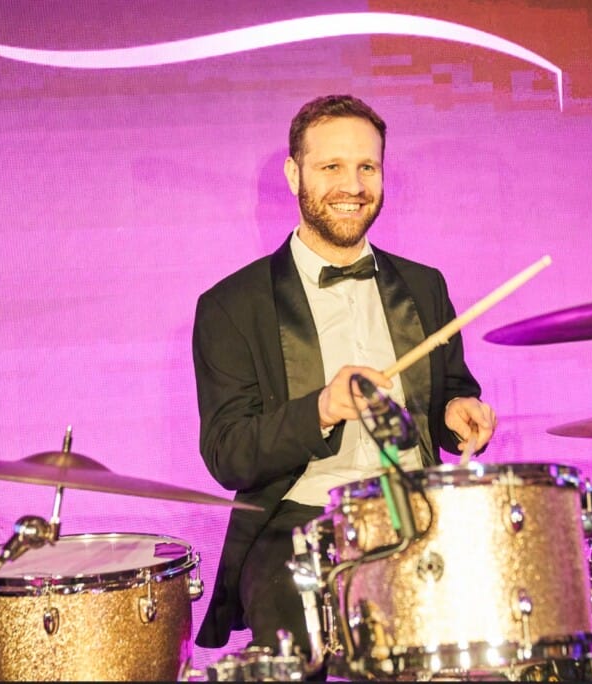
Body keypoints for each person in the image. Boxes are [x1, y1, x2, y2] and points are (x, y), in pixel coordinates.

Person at [191, 94, 497, 663]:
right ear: (294, 175)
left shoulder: (425, 286)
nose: (352, 185)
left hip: (418, 511)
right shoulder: (232, 305)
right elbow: (229, 453)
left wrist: (458, 413)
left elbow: (451, 391)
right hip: (299, 525)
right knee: (296, 640)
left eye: (367, 167)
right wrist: (321, 409)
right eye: (331, 166)